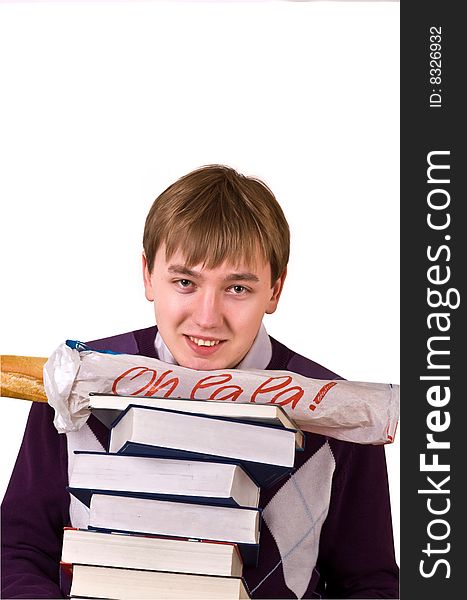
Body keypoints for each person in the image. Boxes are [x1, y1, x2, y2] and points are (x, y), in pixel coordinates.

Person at [1, 165, 399, 599]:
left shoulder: (334, 412)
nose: (207, 318)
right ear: (149, 275)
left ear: (275, 290)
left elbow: (369, 584)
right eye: (185, 282)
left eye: (238, 289)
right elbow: (17, 551)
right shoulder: (74, 382)